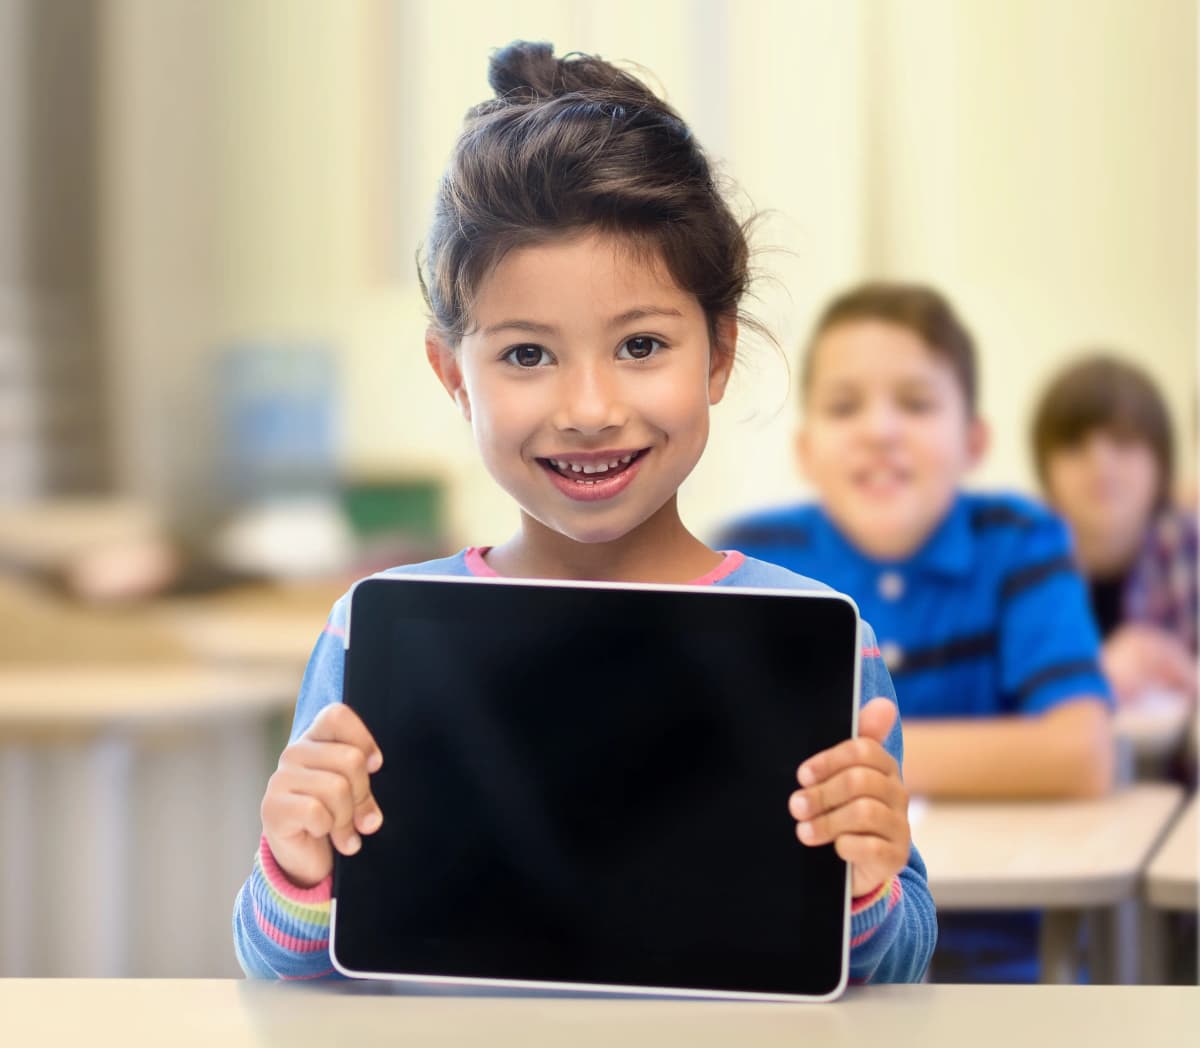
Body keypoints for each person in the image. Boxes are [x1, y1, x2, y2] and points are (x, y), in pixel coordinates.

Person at [232, 43, 936, 986]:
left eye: (641, 343)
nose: (591, 407)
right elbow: (281, 968)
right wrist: (296, 868)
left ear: (719, 354)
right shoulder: (375, 634)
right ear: (454, 375)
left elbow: (900, 964)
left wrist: (867, 887)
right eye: (527, 355)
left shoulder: (824, 645)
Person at [717, 282, 1114, 982]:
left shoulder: (1020, 541)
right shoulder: (758, 557)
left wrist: (860, 774)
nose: (880, 429)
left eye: (917, 402)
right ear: (806, 450)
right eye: (845, 406)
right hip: (806, 968)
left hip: (1011, 967)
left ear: (974, 441)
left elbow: (1081, 751)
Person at [1031, 355, 1197, 707]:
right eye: (1075, 445)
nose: (1100, 463)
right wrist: (1097, 673)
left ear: (1161, 461)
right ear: (1045, 468)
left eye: (1123, 442)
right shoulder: (1023, 558)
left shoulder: (1188, 545)